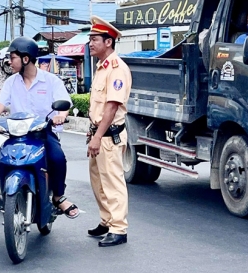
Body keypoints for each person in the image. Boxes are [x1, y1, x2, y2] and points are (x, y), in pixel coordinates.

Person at [0, 37, 79, 244]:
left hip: (43, 133)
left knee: (57, 158)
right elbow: (0, 104)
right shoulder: (11, 82)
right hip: (17, 135)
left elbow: (63, 105)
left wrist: (61, 115)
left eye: (13, 58)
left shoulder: (50, 81)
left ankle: (58, 198)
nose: (10, 62)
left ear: (26, 58)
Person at [86, 15, 132, 247]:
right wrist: (92, 132)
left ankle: (119, 228)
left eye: (95, 39)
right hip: (98, 134)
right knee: (98, 181)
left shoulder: (116, 68)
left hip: (109, 137)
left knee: (112, 182)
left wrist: (97, 136)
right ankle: (106, 220)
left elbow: (112, 107)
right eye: (90, 39)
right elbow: (98, 105)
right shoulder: (101, 67)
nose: (90, 43)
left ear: (108, 42)